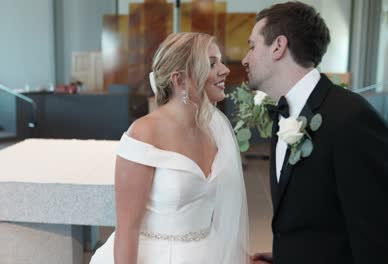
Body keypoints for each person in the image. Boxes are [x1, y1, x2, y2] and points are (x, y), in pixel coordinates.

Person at [241, 2, 388, 264]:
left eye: (252, 46)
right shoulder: (282, 115)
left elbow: (376, 237)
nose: (245, 58)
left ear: (278, 46)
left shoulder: (351, 118)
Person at [90, 32, 249, 264]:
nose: (225, 70)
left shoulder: (217, 129)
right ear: (179, 79)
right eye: (212, 64)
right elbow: (127, 228)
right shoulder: (144, 133)